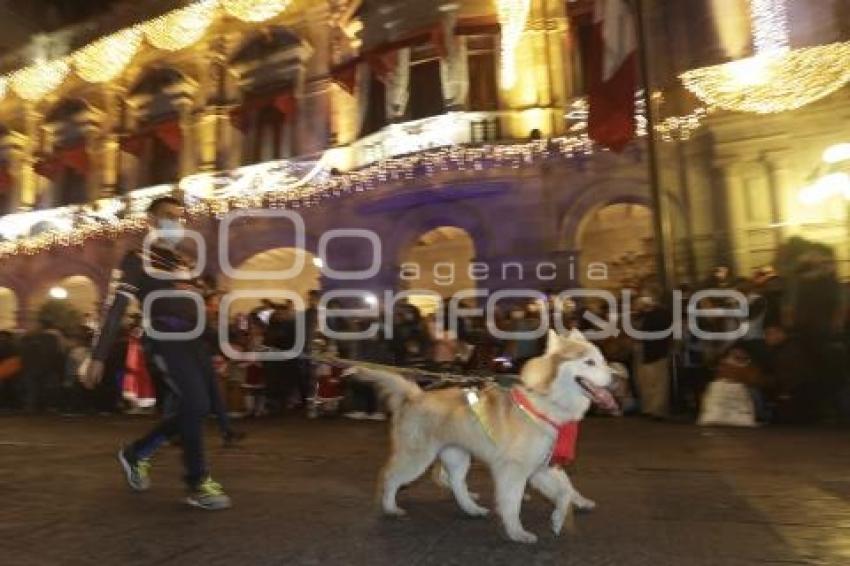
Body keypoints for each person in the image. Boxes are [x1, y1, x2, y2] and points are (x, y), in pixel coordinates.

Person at [82, 196, 231, 510]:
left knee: (198, 408)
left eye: (179, 218)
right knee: (197, 403)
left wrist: (221, 347)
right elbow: (118, 306)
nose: (174, 223)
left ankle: (137, 453)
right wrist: (98, 354)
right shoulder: (137, 258)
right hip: (164, 339)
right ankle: (197, 482)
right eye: (167, 216)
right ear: (151, 221)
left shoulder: (185, 265)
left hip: (194, 343)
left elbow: (198, 312)